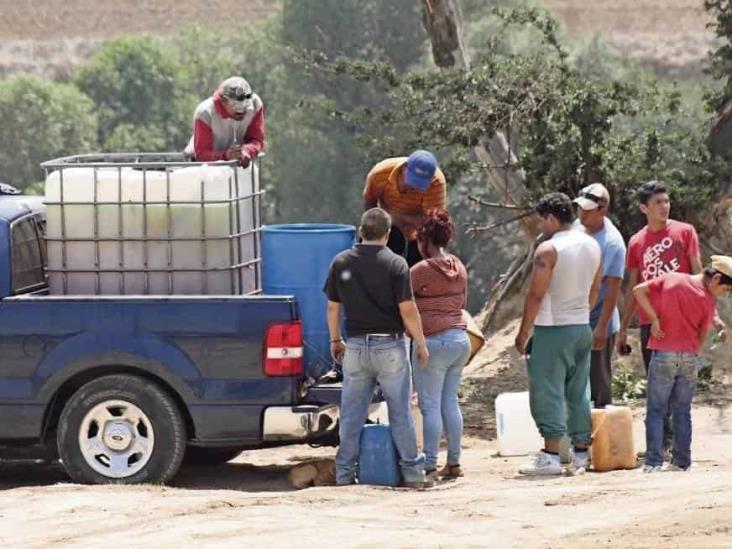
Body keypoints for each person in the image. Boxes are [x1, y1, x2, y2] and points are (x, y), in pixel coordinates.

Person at [323, 207, 431, 488]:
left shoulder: (341, 262)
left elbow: (333, 308)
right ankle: (413, 475)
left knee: (351, 414)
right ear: (386, 235)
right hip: (390, 347)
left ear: (361, 232)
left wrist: (335, 340)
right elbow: (408, 310)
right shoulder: (396, 264)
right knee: (400, 413)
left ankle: (345, 474)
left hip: (356, 348)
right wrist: (420, 343)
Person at [615, 181, 723, 454]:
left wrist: (713, 313)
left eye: (666, 201)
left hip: (683, 319)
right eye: (657, 203)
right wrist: (623, 328)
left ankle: (679, 445)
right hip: (652, 321)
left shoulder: (685, 232)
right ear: (644, 207)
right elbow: (633, 286)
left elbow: (702, 274)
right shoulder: (637, 242)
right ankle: (662, 443)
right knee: (657, 383)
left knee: (681, 382)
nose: (664, 206)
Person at [515, 192, 602, 475]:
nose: (541, 226)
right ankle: (580, 454)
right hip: (581, 326)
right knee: (579, 391)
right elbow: (595, 289)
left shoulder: (548, 251)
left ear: (551, 218)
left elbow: (536, 295)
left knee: (547, 389)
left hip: (553, 328)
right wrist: (581, 315)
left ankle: (551, 455)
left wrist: (523, 332)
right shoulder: (592, 245)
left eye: (542, 221)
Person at [633, 256, 732, 472]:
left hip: (663, 354)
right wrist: (694, 353)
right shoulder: (707, 301)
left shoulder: (672, 279)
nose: (723, 294)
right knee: (682, 410)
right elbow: (702, 333)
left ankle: (653, 462)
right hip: (688, 356)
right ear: (715, 279)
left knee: (656, 410)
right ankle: (682, 461)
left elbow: (638, 290)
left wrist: (654, 319)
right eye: (725, 289)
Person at [410, 209, 471, 480]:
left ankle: (430, 465)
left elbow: (402, 302)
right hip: (460, 340)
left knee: (430, 406)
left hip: (433, 343)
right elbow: (462, 303)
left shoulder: (420, 271)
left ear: (424, 240)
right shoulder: (459, 267)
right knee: (450, 404)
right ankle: (454, 463)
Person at [573, 183, 626, 408]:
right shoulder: (577, 227)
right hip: (574, 317)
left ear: (602, 209)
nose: (581, 214)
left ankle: (600, 433)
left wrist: (602, 328)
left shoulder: (612, 243)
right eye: (580, 208)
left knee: (598, 381)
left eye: (587, 210)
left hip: (597, 320)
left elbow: (613, 289)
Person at [363, 150, 446, 266]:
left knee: (418, 268)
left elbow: (432, 223)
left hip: (419, 235)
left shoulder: (436, 182)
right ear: (405, 168)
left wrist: (399, 218)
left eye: (420, 184)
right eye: (413, 180)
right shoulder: (379, 174)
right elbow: (370, 205)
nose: (414, 187)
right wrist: (378, 229)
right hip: (386, 227)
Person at [184, 76, 265, 167]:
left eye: (246, 106)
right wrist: (226, 156)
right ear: (223, 101)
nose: (242, 111)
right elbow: (202, 154)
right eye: (237, 106)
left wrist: (246, 151)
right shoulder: (205, 113)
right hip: (203, 167)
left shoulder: (256, 105)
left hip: (237, 165)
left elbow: (257, 140)